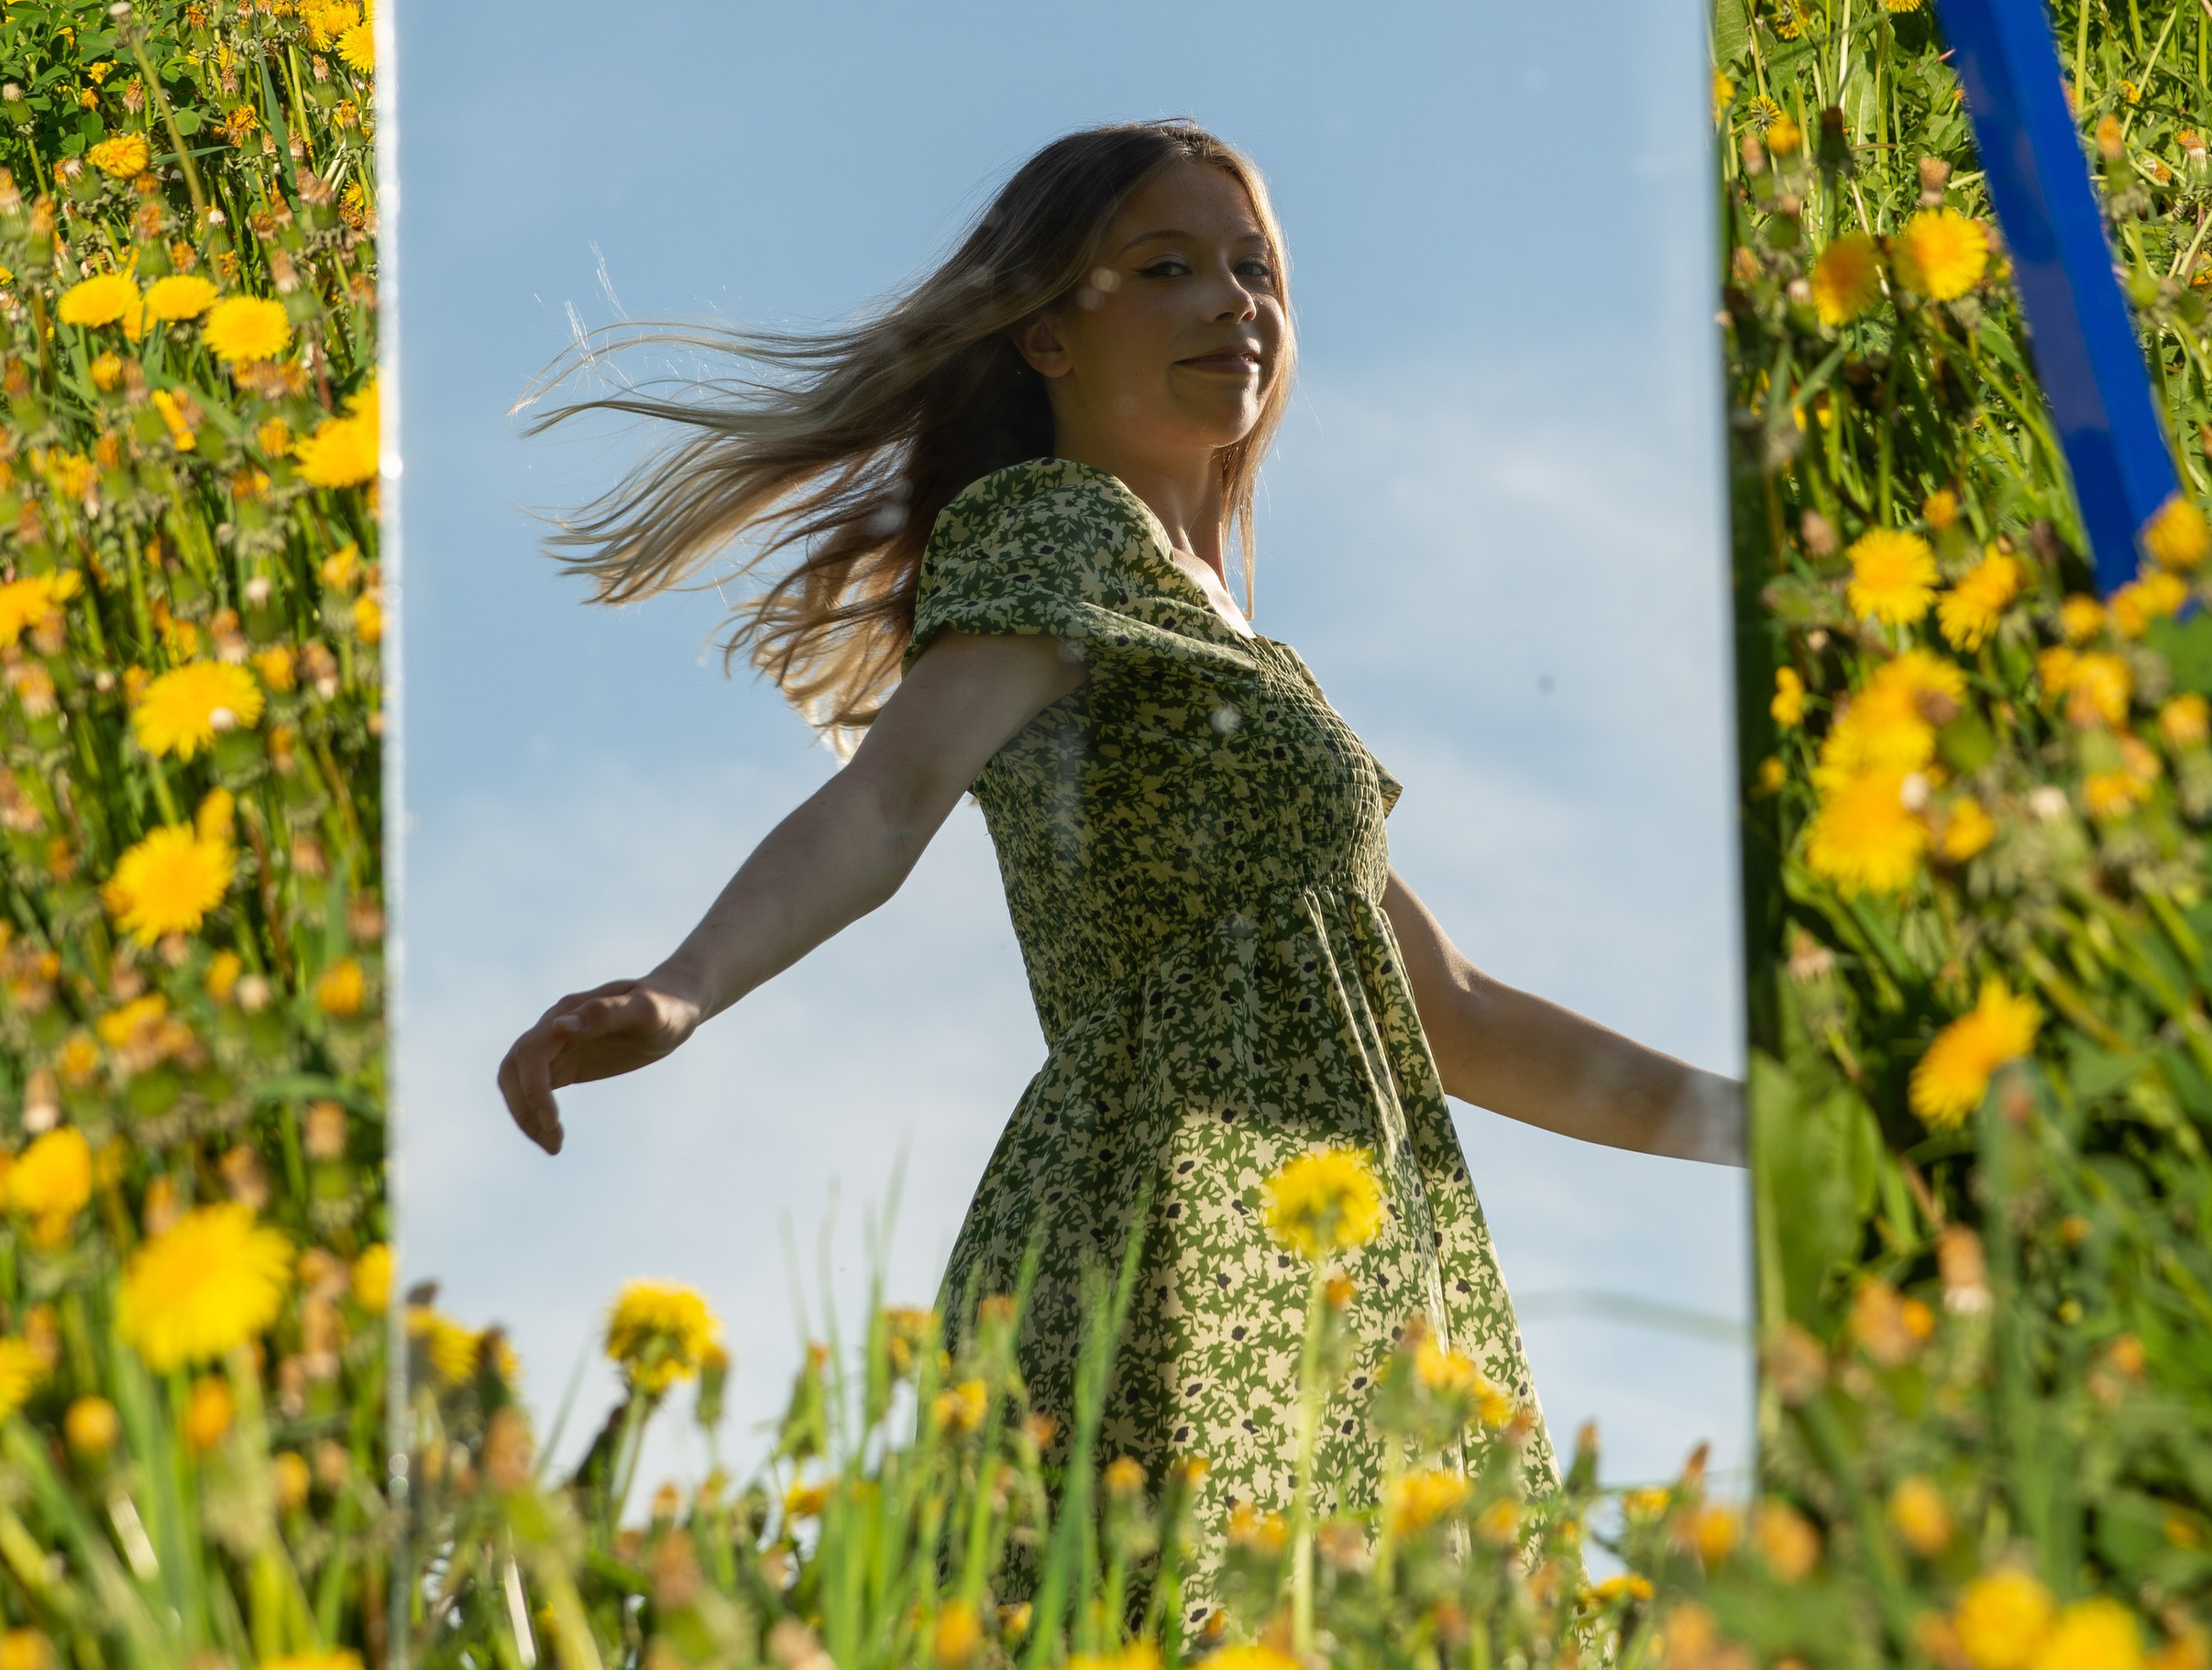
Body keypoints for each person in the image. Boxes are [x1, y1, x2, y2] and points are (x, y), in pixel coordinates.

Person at [498, 120, 1743, 1531]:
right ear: (1046, 338)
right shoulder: (1056, 535)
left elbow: (1447, 1014)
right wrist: (680, 990)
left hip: (1331, 1245)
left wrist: (1761, 1125)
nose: (1235, 301)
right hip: (1161, 1228)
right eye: (1167, 268)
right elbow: (889, 797)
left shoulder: (1251, 660)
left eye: (1256, 267)